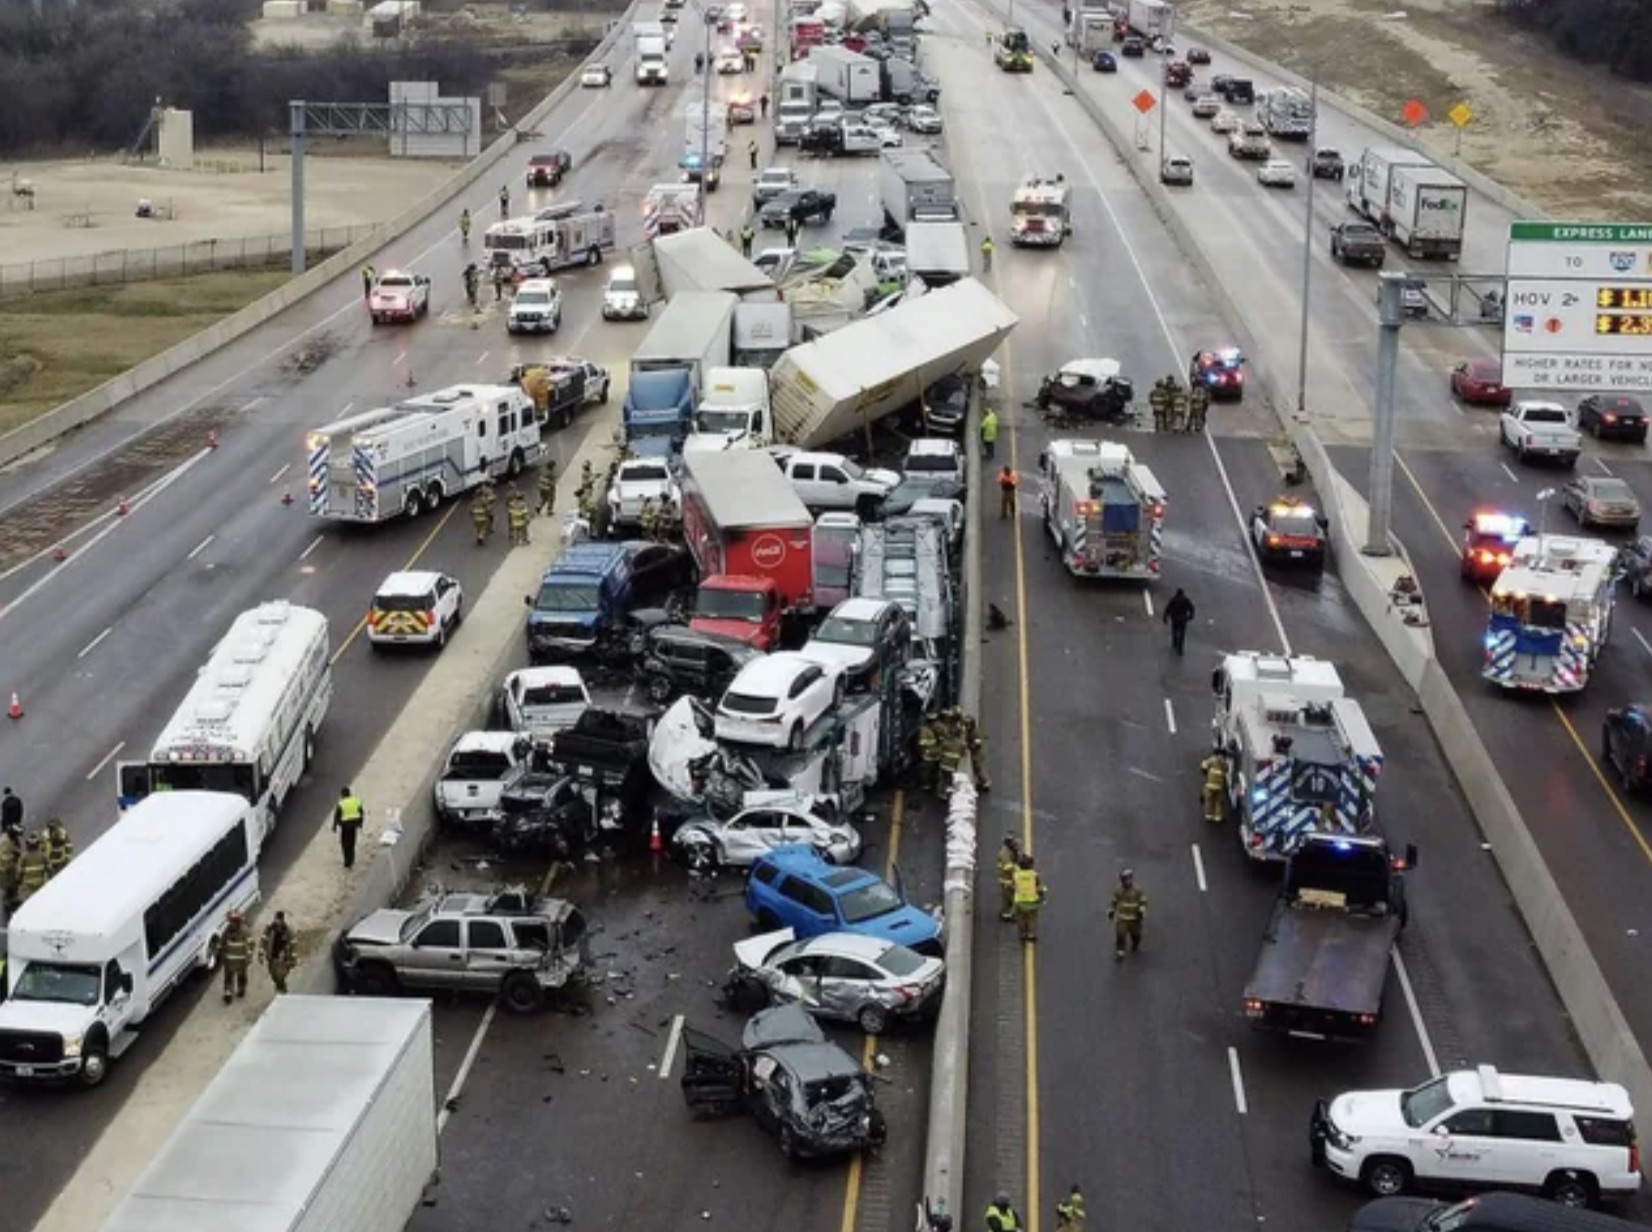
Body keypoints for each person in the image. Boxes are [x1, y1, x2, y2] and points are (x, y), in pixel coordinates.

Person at [1108, 868, 1147, 960]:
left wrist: (1141, 910)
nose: (1128, 881)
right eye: (1126, 879)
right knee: (1120, 935)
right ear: (1122, 880)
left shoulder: (1138, 890)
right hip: (1122, 918)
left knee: (1136, 935)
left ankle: (1135, 944)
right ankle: (1120, 952)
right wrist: (1111, 911)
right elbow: (1114, 901)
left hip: (1134, 918)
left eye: (1129, 879)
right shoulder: (1118, 891)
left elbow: (1143, 901)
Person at [1012, 852, 1046, 942]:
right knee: (1031, 918)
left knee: (1020, 918)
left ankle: (1022, 934)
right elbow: (1039, 886)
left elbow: (1013, 886)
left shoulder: (1016, 875)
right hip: (1032, 901)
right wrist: (1042, 894)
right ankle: (1031, 934)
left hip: (1020, 901)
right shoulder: (1034, 875)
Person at [262, 910, 296, 995]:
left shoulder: (288, 930)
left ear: (282, 920)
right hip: (272, 957)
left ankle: (282, 990)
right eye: (276, 919)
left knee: (280, 975)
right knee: (273, 975)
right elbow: (264, 940)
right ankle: (279, 987)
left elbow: (293, 945)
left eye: (279, 920)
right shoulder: (270, 929)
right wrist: (261, 953)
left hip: (283, 958)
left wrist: (293, 959)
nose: (277, 921)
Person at [221, 909, 251, 1003]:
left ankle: (232, 992)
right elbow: (251, 945)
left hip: (233, 961)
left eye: (232, 921)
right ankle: (235, 992)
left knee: (232, 977)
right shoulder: (244, 931)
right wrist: (248, 959)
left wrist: (224, 956)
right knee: (237, 976)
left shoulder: (230, 931)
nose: (232, 923)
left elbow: (223, 943)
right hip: (238, 961)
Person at [334, 787, 365, 870]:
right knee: (352, 843)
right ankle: (351, 859)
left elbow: (337, 815)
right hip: (354, 825)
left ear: (342, 795)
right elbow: (361, 812)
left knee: (345, 844)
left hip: (345, 826)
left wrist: (334, 826)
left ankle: (347, 861)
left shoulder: (341, 803)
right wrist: (360, 823)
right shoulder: (356, 801)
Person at [15, 831, 47, 905]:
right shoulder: (42, 855)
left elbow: (19, 871)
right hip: (40, 885)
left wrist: (18, 881)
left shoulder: (24, 857)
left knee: (29, 904)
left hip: (28, 887)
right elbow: (49, 868)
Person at [996, 834, 1021, 922]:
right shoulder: (1004, 853)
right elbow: (1008, 867)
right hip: (1007, 879)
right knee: (1010, 896)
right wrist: (1018, 870)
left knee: (1008, 897)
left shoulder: (1010, 851)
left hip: (1009, 878)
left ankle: (1007, 912)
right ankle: (1008, 915)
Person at [1200, 748, 1229, 825]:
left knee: (1209, 801)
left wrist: (1205, 772)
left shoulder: (1212, 760)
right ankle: (1218, 818)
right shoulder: (1223, 762)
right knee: (1218, 802)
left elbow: (1204, 766)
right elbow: (1226, 769)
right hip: (1219, 786)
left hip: (1210, 785)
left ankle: (1209, 816)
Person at [1163, 587, 1195, 655]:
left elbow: (1167, 609)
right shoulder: (1186, 600)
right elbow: (1191, 608)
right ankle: (1180, 648)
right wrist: (1191, 616)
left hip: (1175, 619)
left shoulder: (1173, 600)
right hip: (1183, 619)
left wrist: (1165, 618)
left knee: (1174, 631)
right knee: (1182, 634)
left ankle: (1174, 643)